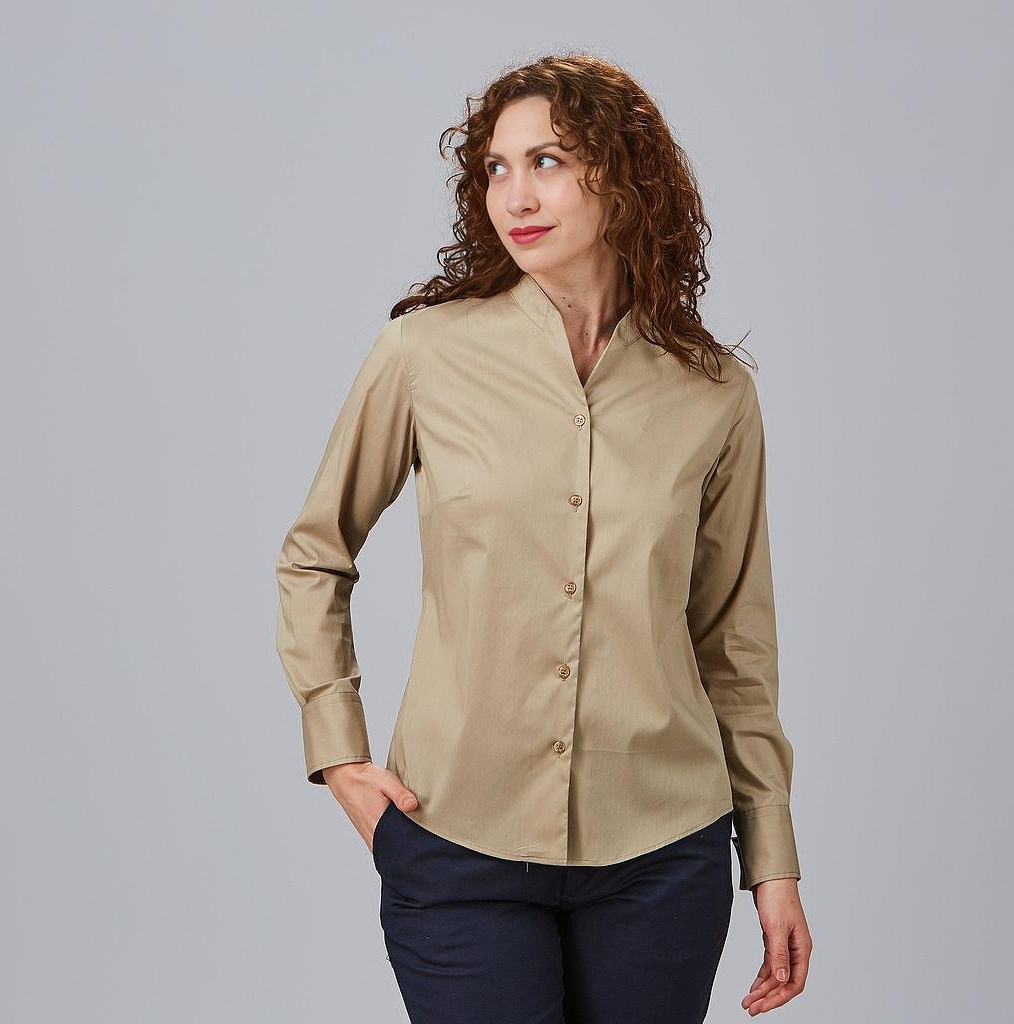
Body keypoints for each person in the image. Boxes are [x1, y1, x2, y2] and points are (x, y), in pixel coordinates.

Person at [275, 53, 813, 1022]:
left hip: (665, 850)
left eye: (548, 162)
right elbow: (316, 552)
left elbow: (733, 640)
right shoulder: (423, 355)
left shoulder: (714, 394)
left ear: (626, 176)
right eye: (495, 168)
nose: (514, 196)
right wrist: (338, 753)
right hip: (456, 837)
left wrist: (770, 858)